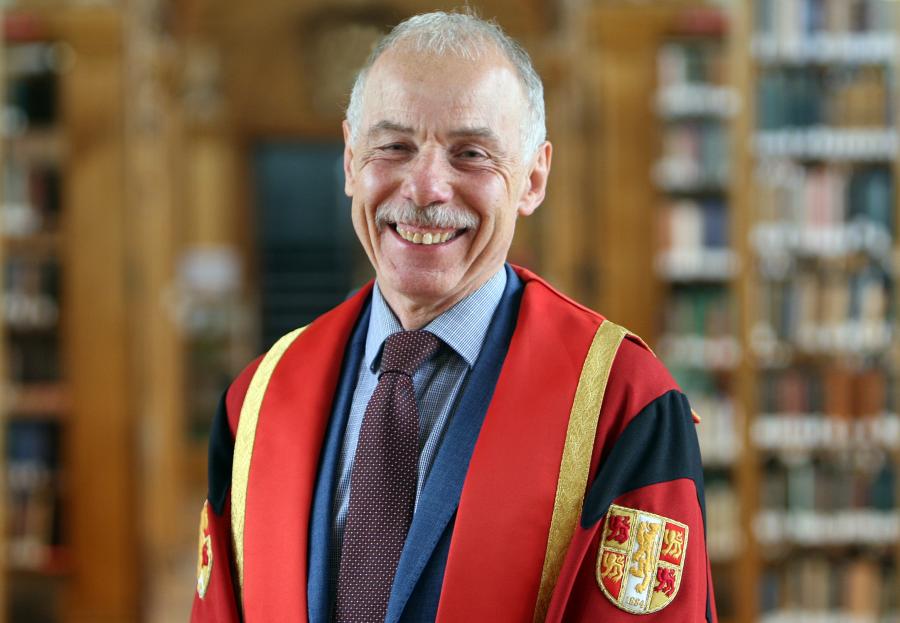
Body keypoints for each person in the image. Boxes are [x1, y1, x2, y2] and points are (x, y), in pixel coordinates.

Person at [191, 10, 717, 623]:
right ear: (349, 162)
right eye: (393, 147)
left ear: (533, 178)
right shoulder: (258, 400)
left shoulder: (622, 403)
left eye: (470, 153)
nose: (425, 188)